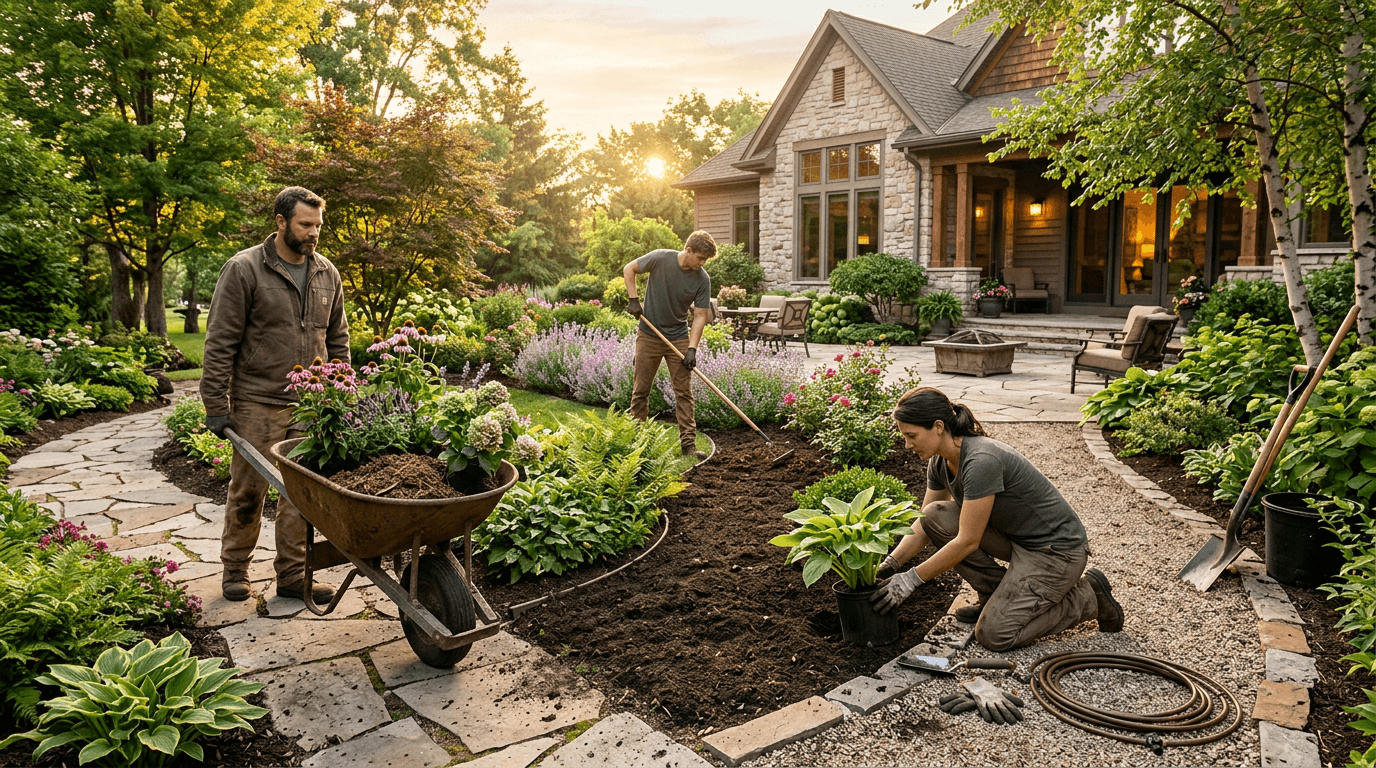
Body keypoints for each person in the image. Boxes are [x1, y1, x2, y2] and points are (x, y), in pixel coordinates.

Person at [870, 386, 1124, 651]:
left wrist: (911, 579)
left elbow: (968, 542)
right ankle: (994, 595)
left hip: (1056, 552)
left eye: (911, 436)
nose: (907, 445)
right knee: (934, 516)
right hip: (1018, 540)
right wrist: (890, 564)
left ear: (937, 426)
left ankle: (1090, 597)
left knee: (994, 634)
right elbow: (924, 522)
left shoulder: (981, 461)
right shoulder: (940, 461)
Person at [201, 186, 350, 606]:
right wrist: (216, 404)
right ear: (281, 222)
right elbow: (220, 342)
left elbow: (337, 339)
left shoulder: (327, 273)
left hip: (312, 403)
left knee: (301, 496)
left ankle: (292, 575)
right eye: (306, 224)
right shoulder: (244, 269)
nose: (314, 233)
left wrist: (344, 394)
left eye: (318, 225)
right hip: (258, 400)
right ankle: (235, 569)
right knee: (249, 490)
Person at [623, 231, 715, 459]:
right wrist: (634, 300)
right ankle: (637, 440)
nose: (702, 264)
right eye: (700, 258)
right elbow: (629, 269)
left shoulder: (702, 279)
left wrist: (692, 348)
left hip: (678, 337)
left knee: (684, 392)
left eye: (706, 260)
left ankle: (688, 445)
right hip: (649, 335)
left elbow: (701, 315)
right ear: (689, 250)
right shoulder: (660, 258)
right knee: (641, 390)